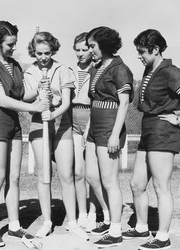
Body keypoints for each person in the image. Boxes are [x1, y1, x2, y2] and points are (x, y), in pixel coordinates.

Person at [122, 29, 180, 250]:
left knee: (161, 186)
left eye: (142, 52)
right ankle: (140, 227)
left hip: (163, 130)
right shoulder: (150, 69)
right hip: (148, 128)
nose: (139, 55)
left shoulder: (169, 71)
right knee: (137, 184)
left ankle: (162, 237)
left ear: (156, 49)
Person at [0, 21, 48, 247]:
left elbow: (20, 95)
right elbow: (3, 99)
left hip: (13, 123)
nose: (13, 47)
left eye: (15, 43)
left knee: (14, 177)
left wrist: (39, 90)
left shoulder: (15, 65)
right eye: (10, 44)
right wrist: (35, 108)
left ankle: (14, 225)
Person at [23, 31, 89, 240]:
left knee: (66, 174)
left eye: (47, 53)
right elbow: (25, 98)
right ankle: (48, 221)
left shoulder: (63, 70)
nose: (43, 57)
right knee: (44, 174)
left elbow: (67, 102)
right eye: (39, 53)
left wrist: (52, 113)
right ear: (34, 51)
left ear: (53, 50)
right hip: (38, 124)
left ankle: (73, 221)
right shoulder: (29, 72)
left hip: (61, 124)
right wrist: (37, 90)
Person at [85, 26, 134, 247]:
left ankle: (115, 231)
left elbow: (124, 103)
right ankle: (107, 218)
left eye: (92, 46)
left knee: (110, 181)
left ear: (104, 45)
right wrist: (89, 128)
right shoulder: (96, 68)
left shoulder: (120, 69)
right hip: (94, 128)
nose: (90, 50)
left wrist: (115, 134)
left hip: (109, 128)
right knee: (92, 177)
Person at [71, 32, 110, 233]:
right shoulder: (69, 71)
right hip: (72, 121)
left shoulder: (97, 71)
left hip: (91, 120)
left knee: (92, 174)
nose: (81, 53)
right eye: (77, 50)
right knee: (78, 172)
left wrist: (88, 129)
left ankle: (95, 214)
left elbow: (96, 101)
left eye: (85, 49)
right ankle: (82, 214)